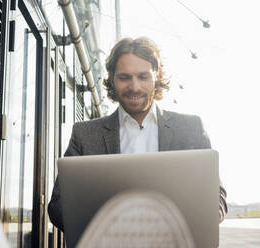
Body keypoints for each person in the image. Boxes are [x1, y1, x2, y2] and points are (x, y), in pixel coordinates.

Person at [48, 37, 227, 231]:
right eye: (125, 77)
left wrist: (196, 218)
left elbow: (217, 197)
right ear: (112, 79)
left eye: (143, 76)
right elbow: (57, 207)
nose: (134, 87)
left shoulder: (190, 128)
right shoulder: (84, 135)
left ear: (156, 76)